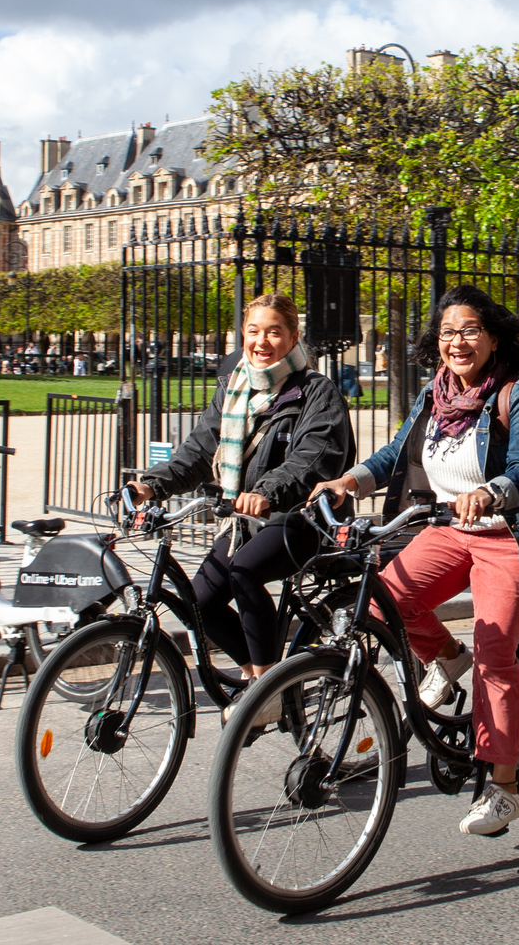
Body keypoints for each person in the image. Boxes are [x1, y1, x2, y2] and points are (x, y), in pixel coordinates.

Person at [311, 283, 519, 837]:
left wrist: (491, 492)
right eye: (448, 332)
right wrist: (346, 482)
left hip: (517, 536)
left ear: (493, 339)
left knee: (496, 647)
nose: (458, 342)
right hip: (453, 530)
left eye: (470, 330)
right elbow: (393, 455)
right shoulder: (436, 395)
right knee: (384, 605)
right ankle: (448, 659)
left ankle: (503, 789)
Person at [125, 293, 354, 725]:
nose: (261, 341)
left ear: (293, 337)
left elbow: (314, 457)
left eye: (273, 331)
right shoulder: (234, 388)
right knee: (198, 602)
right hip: (248, 521)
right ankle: (255, 678)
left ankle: (266, 689)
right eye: (253, 331)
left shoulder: (315, 392)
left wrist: (268, 490)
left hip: (301, 517)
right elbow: (196, 452)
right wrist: (151, 485)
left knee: (244, 569)